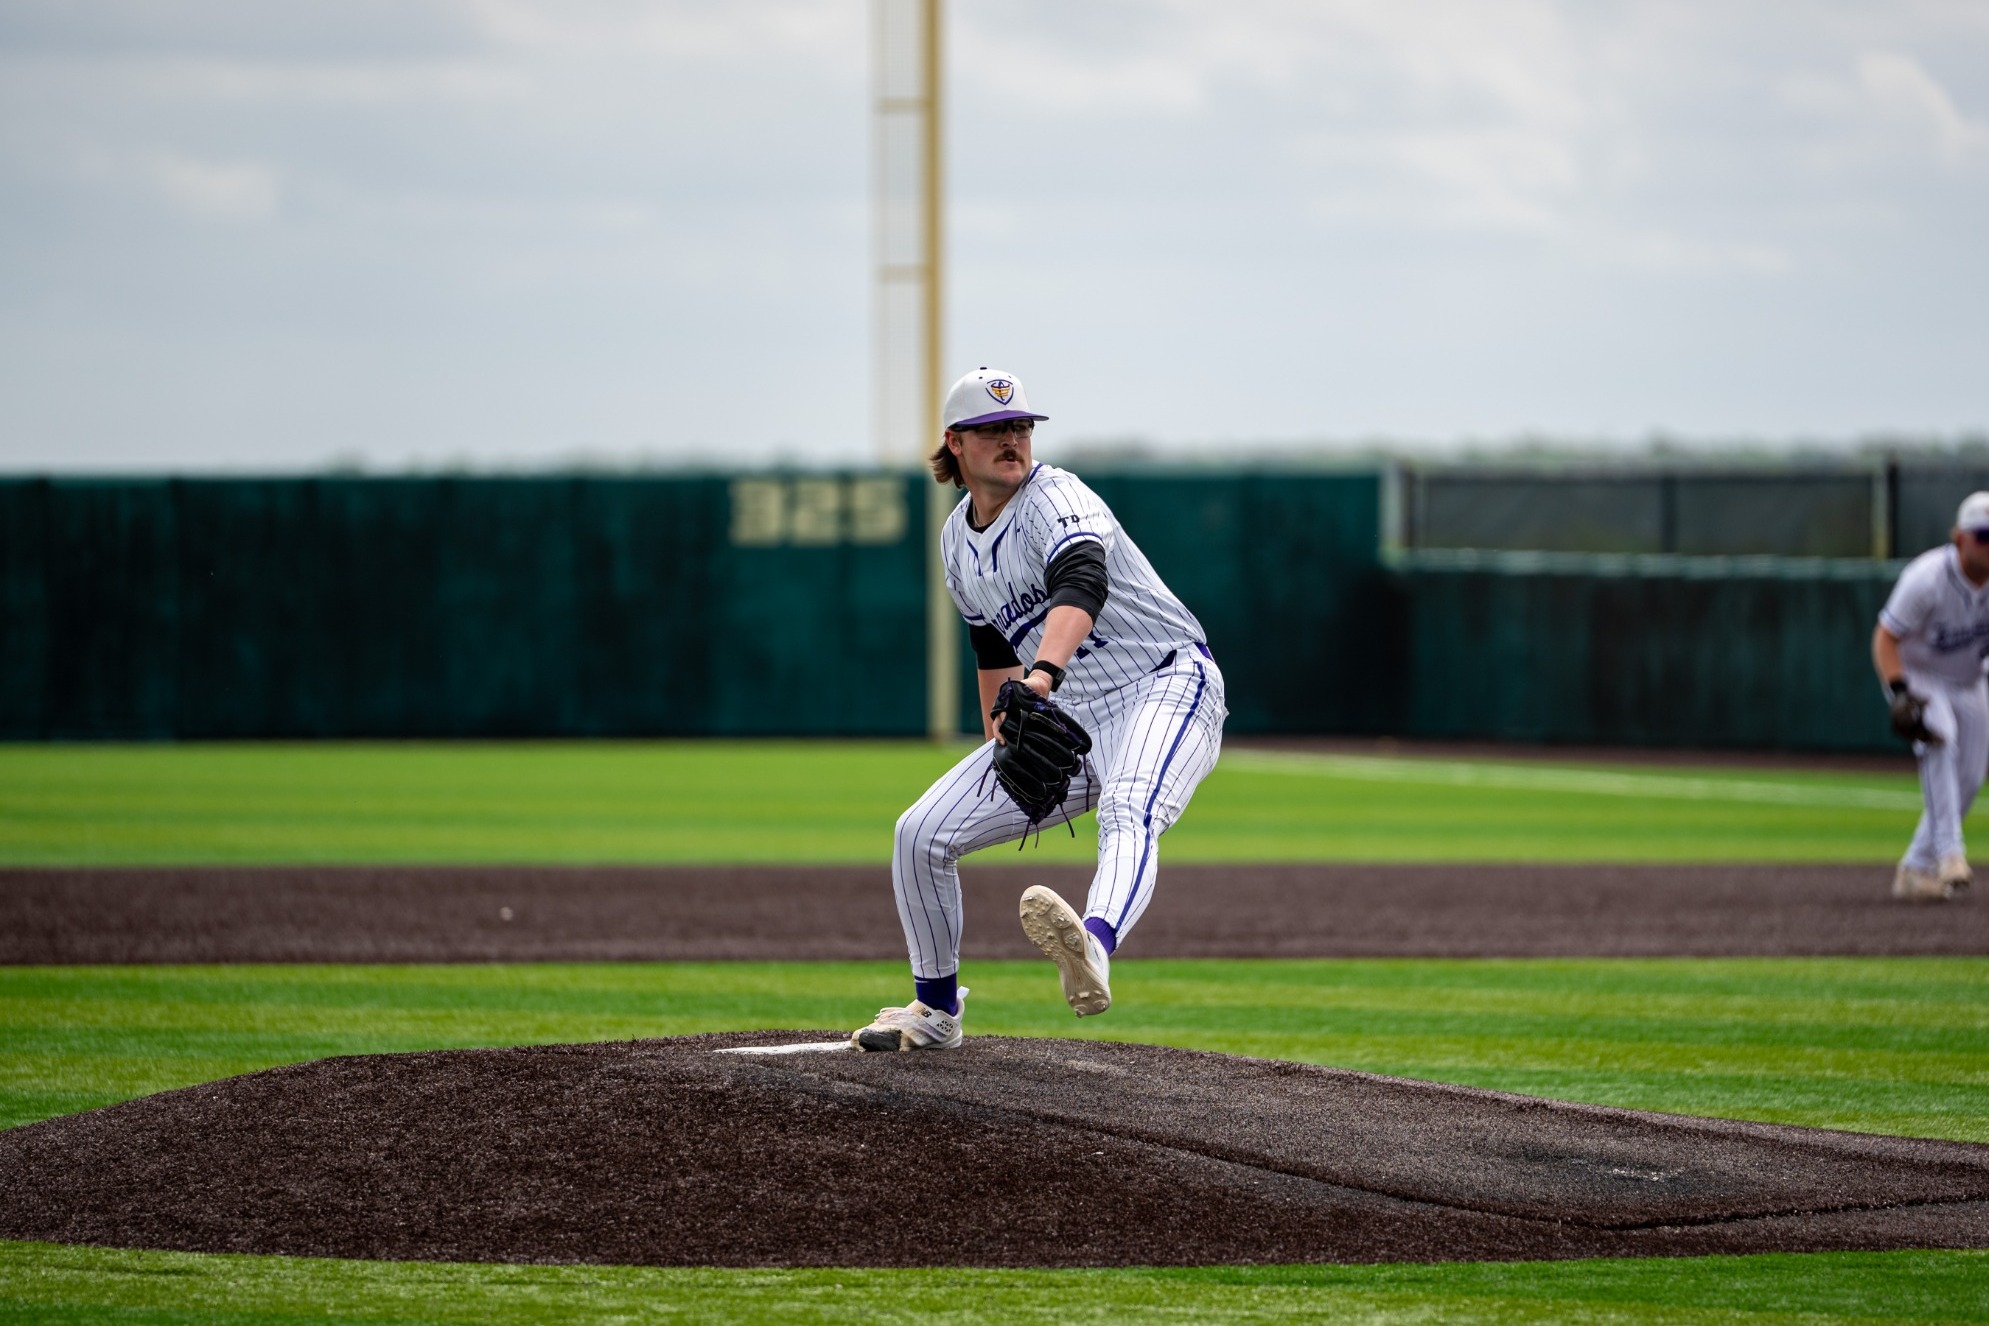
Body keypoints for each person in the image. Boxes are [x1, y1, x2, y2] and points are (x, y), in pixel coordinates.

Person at [851, 367, 1228, 1050]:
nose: (1011, 439)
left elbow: (1081, 579)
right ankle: (935, 1010)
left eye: (1020, 426)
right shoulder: (954, 541)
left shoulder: (1057, 496)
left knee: (1128, 806)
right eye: (993, 429)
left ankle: (1093, 944)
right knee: (919, 833)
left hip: (1164, 684)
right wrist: (1003, 735)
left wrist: (1044, 674)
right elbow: (991, 647)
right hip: (1073, 714)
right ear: (955, 445)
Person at [1872, 491, 1989, 902]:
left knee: (1972, 775)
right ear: (1959, 539)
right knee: (1940, 738)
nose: (1988, 545)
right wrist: (1900, 692)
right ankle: (1950, 854)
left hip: (1971, 678)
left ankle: (1914, 869)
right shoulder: (1927, 578)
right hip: (1921, 674)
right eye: (1983, 536)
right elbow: (1885, 637)